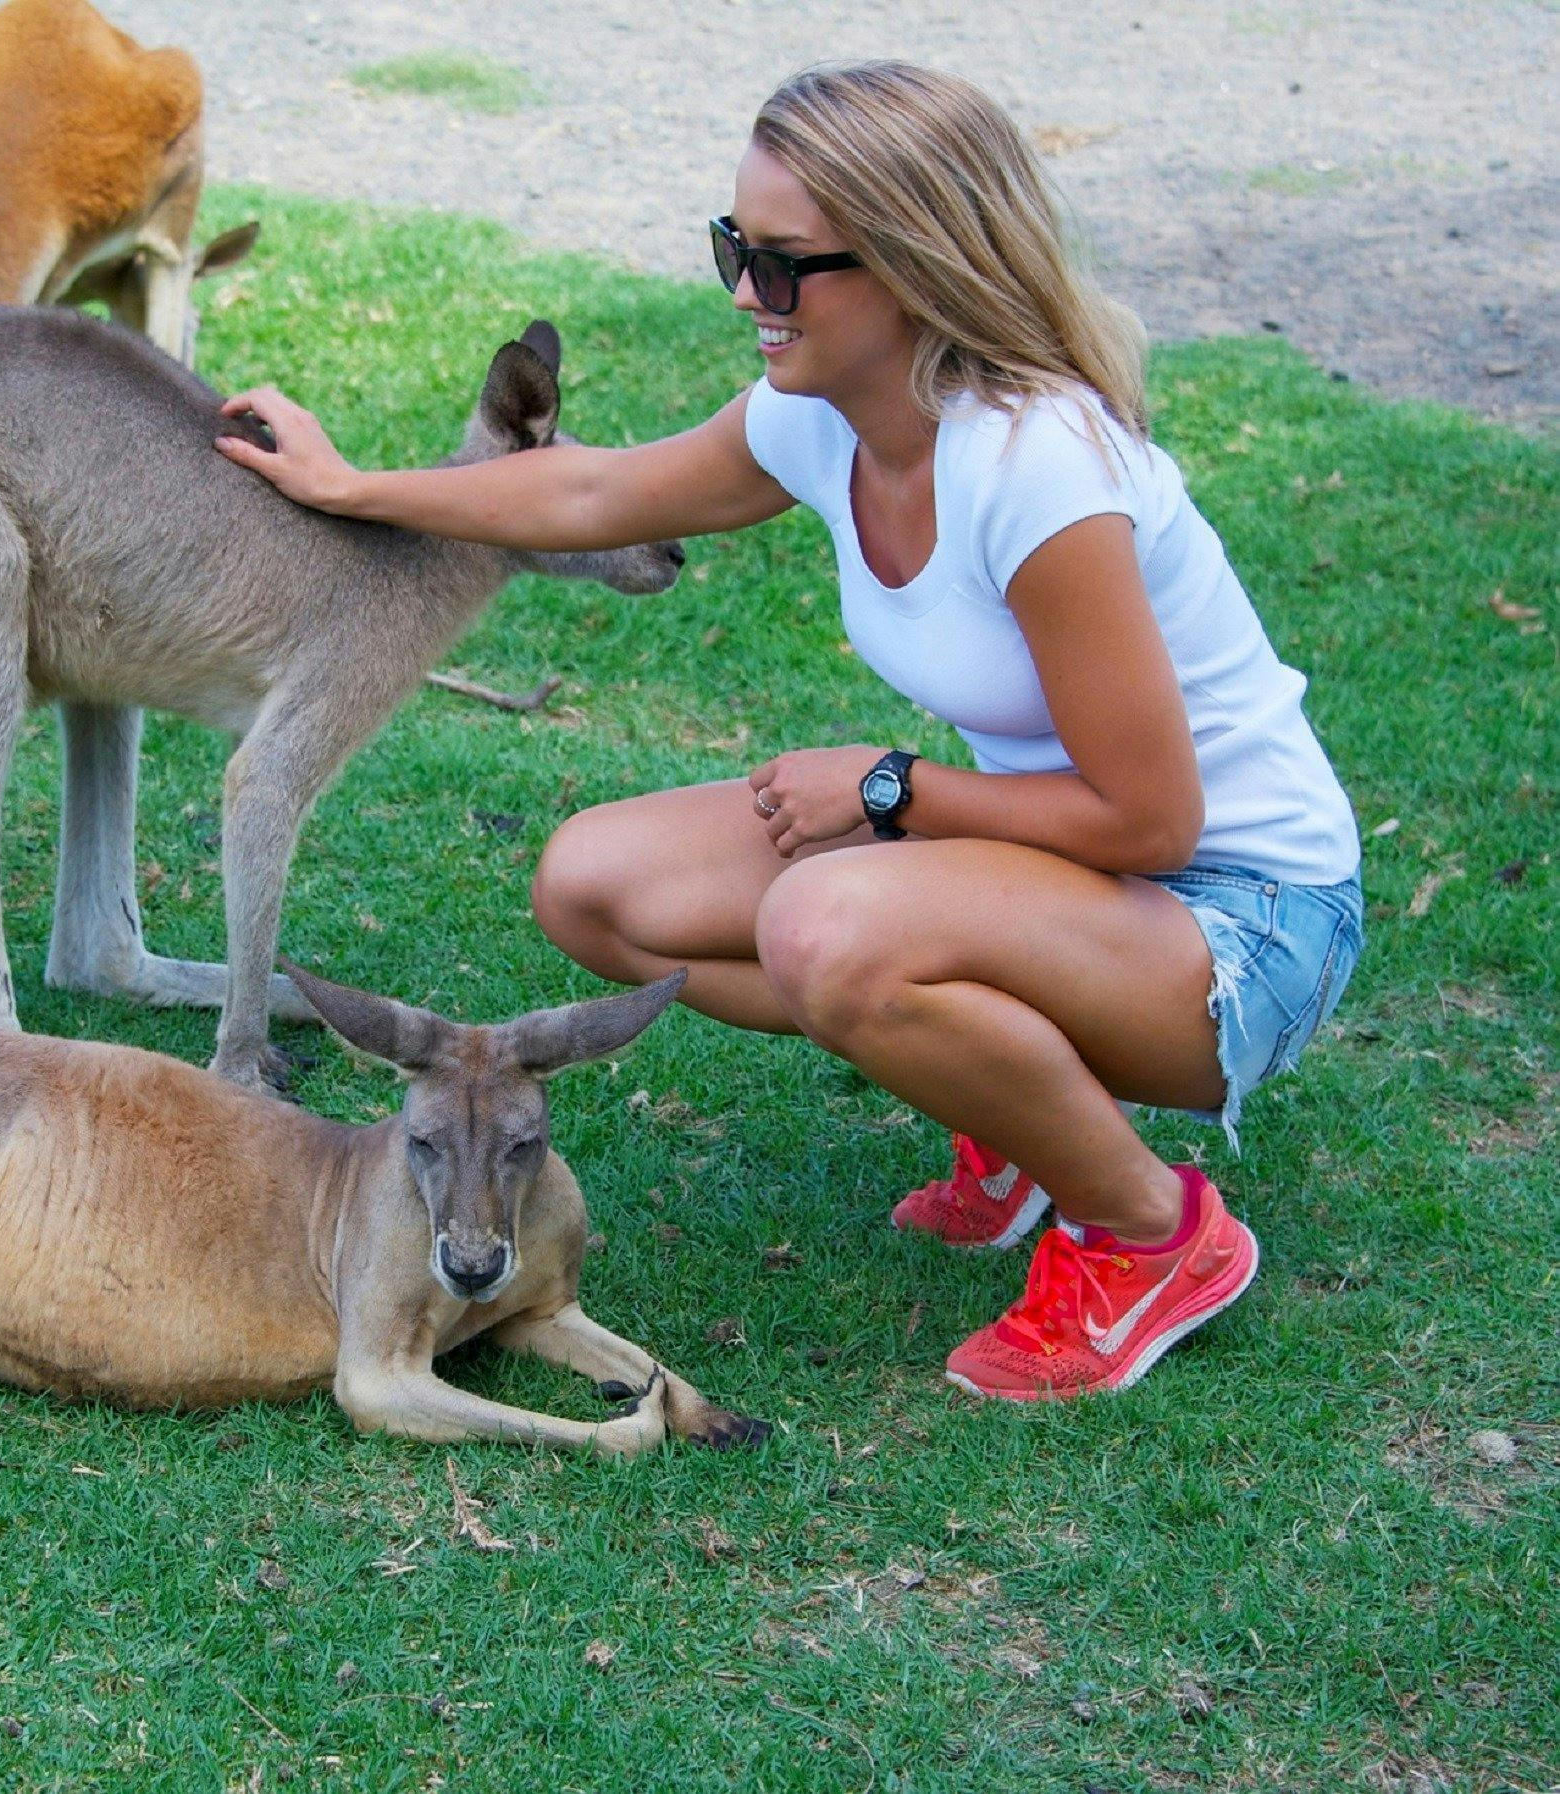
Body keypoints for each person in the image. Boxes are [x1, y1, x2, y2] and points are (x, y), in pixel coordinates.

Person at [212, 60, 1364, 1400]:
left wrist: (888, 789)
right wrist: (353, 484)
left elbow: (1154, 820)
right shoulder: (821, 416)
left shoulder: (1039, 468)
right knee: (598, 888)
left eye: (786, 267)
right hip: (1077, 883)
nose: (749, 297)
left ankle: (1153, 1232)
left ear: (914, 266)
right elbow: (591, 491)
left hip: (1240, 925)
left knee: (827, 929)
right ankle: (1008, 1104)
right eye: (733, 251)